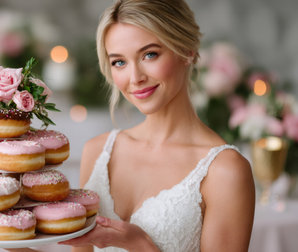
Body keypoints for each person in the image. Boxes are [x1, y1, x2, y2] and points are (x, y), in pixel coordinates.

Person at [58, 0, 255, 251]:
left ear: (187, 51)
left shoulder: (225, 170)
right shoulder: (96, 151)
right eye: (119, 62)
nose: (135, 78)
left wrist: (140, 245)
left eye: (149, 54)